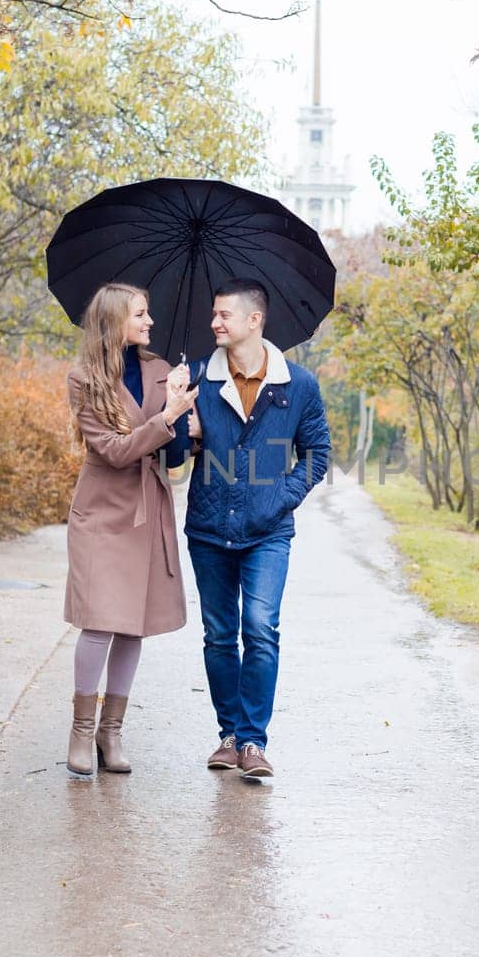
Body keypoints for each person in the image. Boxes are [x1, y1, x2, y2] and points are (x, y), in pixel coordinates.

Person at [183, 277, 331, 780]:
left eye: (224, 315)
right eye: (213, 314)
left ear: (254, 320)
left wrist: (281, 498)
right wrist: (182, 423)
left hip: (268, 531)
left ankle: (253, 742)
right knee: (220, 634)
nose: (214, 323)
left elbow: (317, 455)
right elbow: (169, 454)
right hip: (208, 527)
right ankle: (229, 735)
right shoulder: (197, 378)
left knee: (261, 630)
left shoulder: (299, 385)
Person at [63, 282, 197, 776]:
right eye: (141, 314)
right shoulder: (84, 380)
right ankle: (80, 731)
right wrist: (167, 417)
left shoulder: (162, 371)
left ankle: (110, 732)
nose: (149, 322)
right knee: (99, 620)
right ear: (115, 319)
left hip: (148, 507)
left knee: (133, 625)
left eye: (149, 314)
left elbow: (175, 455)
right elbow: (115, 451)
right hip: (101, 512)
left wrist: (183, 417)